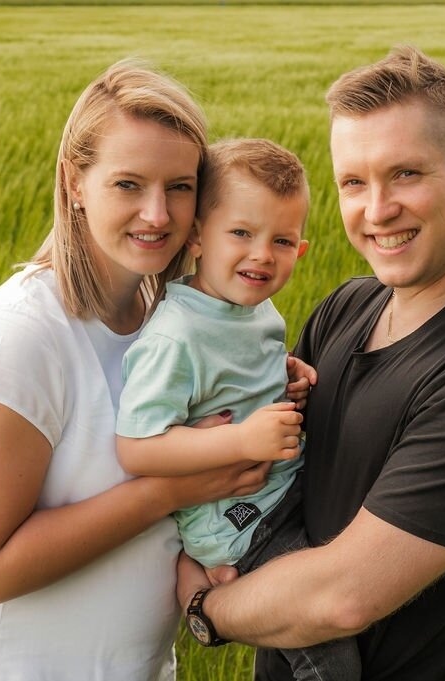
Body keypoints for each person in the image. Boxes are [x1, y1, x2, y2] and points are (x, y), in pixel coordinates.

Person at [175, 46, 445, 681]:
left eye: (406, 174)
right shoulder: (348, 306)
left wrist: (204, 607)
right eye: (353, 182)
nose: (377, 209)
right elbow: (261, 470)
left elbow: (343, 597)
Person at [0, 59, 276, 681]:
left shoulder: (167, 317)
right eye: (128, 185)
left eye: (180, 186)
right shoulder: (23, 336)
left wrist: (268, 382)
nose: (158, 214)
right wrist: (168, 491)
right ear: (75, 182)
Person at [116, 138, 359, 681]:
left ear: (301, 250)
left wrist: (285, 379)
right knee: (329, 656)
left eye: (282, 240)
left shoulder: (256, 311)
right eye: (241, 234)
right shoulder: (176, 336)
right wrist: (243, 441)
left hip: (287, 493)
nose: (261, 255)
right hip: (242, 524)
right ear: (198, 235)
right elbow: (136, 447)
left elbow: (236, 382)